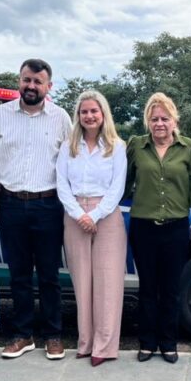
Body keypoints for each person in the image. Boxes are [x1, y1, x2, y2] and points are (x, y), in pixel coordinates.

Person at [0, 59, 72, 360]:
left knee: (49, 275)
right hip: (10, 204)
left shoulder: (61, 118)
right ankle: (23, 335)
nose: (31, 86)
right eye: (26, 80)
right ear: (19, 81)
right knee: (18, 275)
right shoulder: (1, 115)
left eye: (37, 81)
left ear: (48, 86)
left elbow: (71, 162)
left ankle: (53, 335)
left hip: (48, 204)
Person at [124, 93, 191, 363]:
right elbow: (123, 181)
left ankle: (169, 343)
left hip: (175, 228)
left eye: (164, 118)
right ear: (147, 121)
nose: (159, 123)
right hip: (143, 227)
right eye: (154, 119)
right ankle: (147, 342)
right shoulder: (137, 146)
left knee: (171, 288)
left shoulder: (188, 147)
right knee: (148, 288)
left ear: (174, 120)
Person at [56, 91, 127, 366]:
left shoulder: (116, 146)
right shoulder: (68, 146)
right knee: (82, 283)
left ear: (103, 114)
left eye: (94, 111)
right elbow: (61, 183)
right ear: (78, 115)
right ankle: (85, 342)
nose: (89, 116)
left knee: (108, 284)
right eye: (84, 111)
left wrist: (95, 215)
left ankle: (104, 346)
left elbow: (117, 186)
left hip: (106, 215)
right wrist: (79, 214)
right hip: (74, 215)